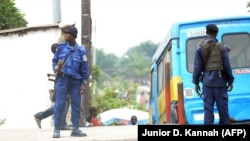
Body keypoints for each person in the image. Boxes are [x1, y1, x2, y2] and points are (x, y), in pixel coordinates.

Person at [192, 24, 234, 125]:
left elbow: (197, 68)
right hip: (220, 84)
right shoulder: (222, 47)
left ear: (206, 32)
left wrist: (196, 83)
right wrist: (230, 80)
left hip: (207, 84)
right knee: (224, 115)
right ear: (216, 33)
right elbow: (227, 66)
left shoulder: (200, 48)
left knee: (208, 115)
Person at [52, 25, 89, 138]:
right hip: (62, 79)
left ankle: (76, 129)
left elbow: (84, 68)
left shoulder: (81, 51)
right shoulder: (61, 48)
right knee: (60, 105)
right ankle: (56, 129)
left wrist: (83, 83)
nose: (65, 35)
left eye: (67, 33)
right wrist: (55, 68)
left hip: (76, 82)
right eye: (64, 33)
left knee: (76, 105)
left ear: (73, 35)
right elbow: (54, 61)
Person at [33, 43, 71, 130]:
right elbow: (60, 70)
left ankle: (62, 123)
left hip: (63, 82)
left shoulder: (61, 57)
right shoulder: (58, 59)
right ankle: (40, 116)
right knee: (62, 103)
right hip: (61, 83)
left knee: (66, 101)